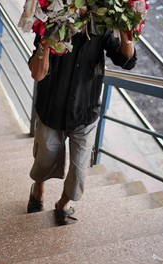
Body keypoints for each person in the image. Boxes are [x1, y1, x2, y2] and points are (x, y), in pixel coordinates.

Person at [26, 28, 137, 225]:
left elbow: (126, 61)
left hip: (85, 110)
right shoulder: (52, 23)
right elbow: (37, 73)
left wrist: (127, 32)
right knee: (45, 158)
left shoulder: (100, 28)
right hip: (52, 108)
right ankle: (38, 187)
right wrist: (45, 42)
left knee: (79, 171)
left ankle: (63, 204)